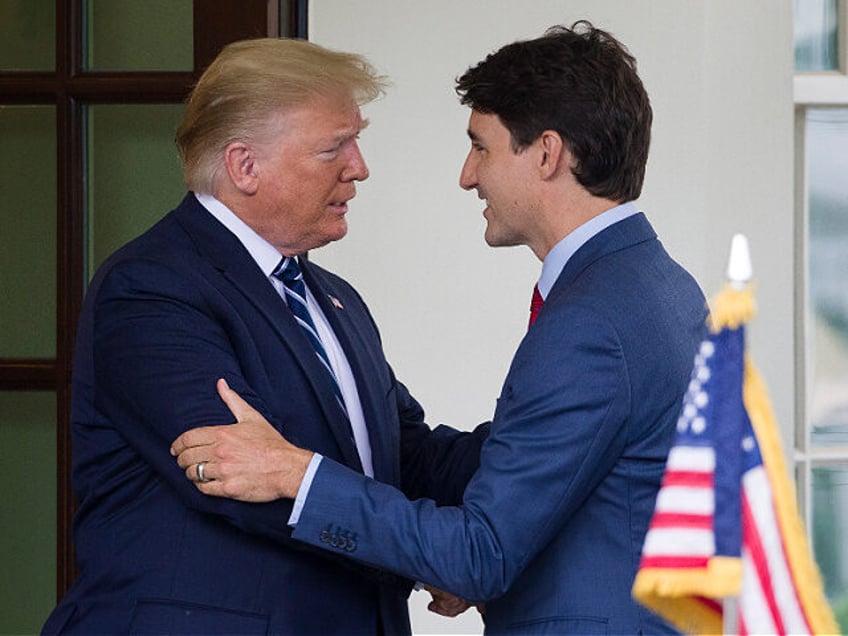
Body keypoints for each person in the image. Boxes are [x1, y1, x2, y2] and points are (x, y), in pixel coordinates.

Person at [172, 21, 710, 635]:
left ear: (547, 153)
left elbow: (483, 553)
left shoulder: (592, 318)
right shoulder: (660, 286)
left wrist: (297, 475)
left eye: (481, 146)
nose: (467, 174)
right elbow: (583, 485)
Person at [41, 37, 488, 635]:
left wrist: (550, 437)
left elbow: (404, 459)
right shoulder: (151, 288)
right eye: (335, 147)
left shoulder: (333, 299)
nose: (359, 166)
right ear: (245, 165)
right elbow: (242, 486)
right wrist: (435, 551)